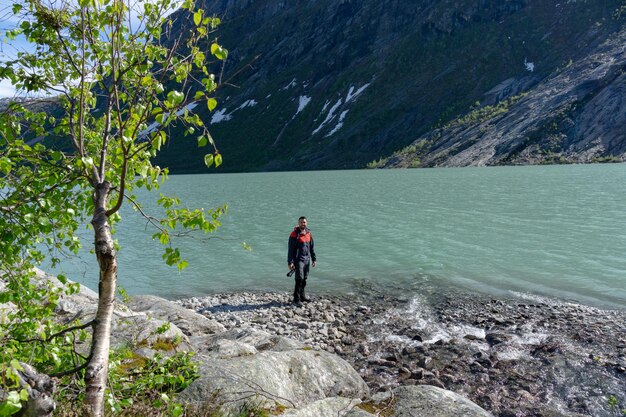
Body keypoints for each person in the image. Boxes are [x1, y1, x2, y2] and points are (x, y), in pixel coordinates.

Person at [288, 216, 316, 305]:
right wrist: (290, 262)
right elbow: (290, 250)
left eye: (304, 222)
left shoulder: (309, 233)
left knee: (304, 279)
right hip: (298, 260)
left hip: (307, 259)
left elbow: (311, 247)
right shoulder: (294, 234)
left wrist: (314, 259)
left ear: (306, 223)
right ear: (298, 223)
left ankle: (302, 296)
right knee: (299, 279)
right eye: (301, 222)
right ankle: (296, 299)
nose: (302, 224)